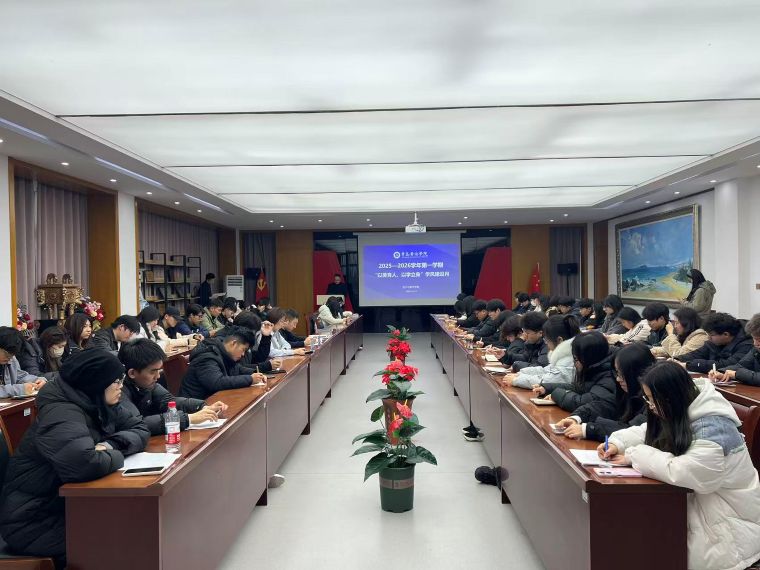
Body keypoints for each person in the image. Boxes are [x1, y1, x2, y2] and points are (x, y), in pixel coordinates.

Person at [602, 363, 760, 570]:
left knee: (646, 542)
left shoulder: (714, 429)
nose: (650, 406)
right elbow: (651, 430)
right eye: (647, 399)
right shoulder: (686, 406)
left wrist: (634, 454)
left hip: (728, 526)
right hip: (705, 508)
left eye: (652, 400)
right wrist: (619, 443)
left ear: (670, 397)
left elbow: (683, 471)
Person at [0, 350, 149, 565]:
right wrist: (116, 454)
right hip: (33, 522)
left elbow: (139, 427)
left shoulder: (96, 402)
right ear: (96, 383)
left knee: (136, 524)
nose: (120, 387)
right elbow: (84, 465)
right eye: (116, 381)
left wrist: (110, 445)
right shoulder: (61, 412)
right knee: (124, 538)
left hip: (65, 507)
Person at [118, 339, 227, 435]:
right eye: (153, 372)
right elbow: (139, 424)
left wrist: (201, 406)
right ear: (132, 373)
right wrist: (188, 418)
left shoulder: (146, 383)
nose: (158, 376)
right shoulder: (118, 391)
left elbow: (170, 401)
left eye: (159, 370)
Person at [556, 342, 653, 441]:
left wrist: (588, 430)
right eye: (617, 373)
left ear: (637, 373)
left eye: (622, 374)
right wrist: (576, 418)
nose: (618, 379)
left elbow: (633, 432)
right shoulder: (625, 390)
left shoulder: (653, 399)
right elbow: (604, 405)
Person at [532, 331, 617, 415]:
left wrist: (556, 395)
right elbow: (578, 388)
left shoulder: (609, 376)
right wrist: (547, 388)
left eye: (576, 359)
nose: (574, 363)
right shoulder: (594, 368)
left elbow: (583, 403)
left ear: (588, 358)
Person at [179, 326, 268, 400]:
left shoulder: (224, 353)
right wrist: (250, 379)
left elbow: (237, 369)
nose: (243, 354)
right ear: (234, 343)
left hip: (213, 401)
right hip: (196, 407)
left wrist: (255, 374)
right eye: (243, 350)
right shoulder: (207, 357)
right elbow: (217, 382)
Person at [507, 314, 581, 389]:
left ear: (559, 340)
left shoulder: (570, 360)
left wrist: (517, 380)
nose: (546, 343)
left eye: (547, 340)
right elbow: (545, 370)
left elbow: (549, 380)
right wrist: (520, 374)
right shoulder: (565, 355)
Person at [675, 312, 753, 373]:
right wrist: (677, 359)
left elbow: (726, 365)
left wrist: (689, 365)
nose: (708, 338)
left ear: (726, 334)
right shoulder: (714, 341)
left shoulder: (747, 344)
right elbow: (697, 354)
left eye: (711, 335)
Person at [712, 313, 760, 386]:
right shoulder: (756, 350)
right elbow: (740, 365)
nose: (755, 343)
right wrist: (722, 373)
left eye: (759, 340)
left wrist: (736, 374)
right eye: (754, 339)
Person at [0, 327, 46, 397]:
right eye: (7, 354)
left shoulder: (11, 359)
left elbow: (20, 376)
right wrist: (19, 389)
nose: (9, 358)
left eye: (12, 355)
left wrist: (37, 380)